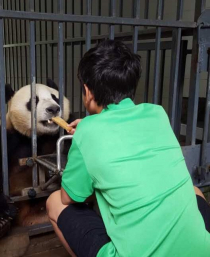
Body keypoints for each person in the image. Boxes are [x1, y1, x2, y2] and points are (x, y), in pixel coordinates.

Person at [46, 40, 210, 257]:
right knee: (195, 191)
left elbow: (71, 197)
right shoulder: (157, 113)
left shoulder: (87, 133)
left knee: (55, 201)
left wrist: (86, 135)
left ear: (87, 91)